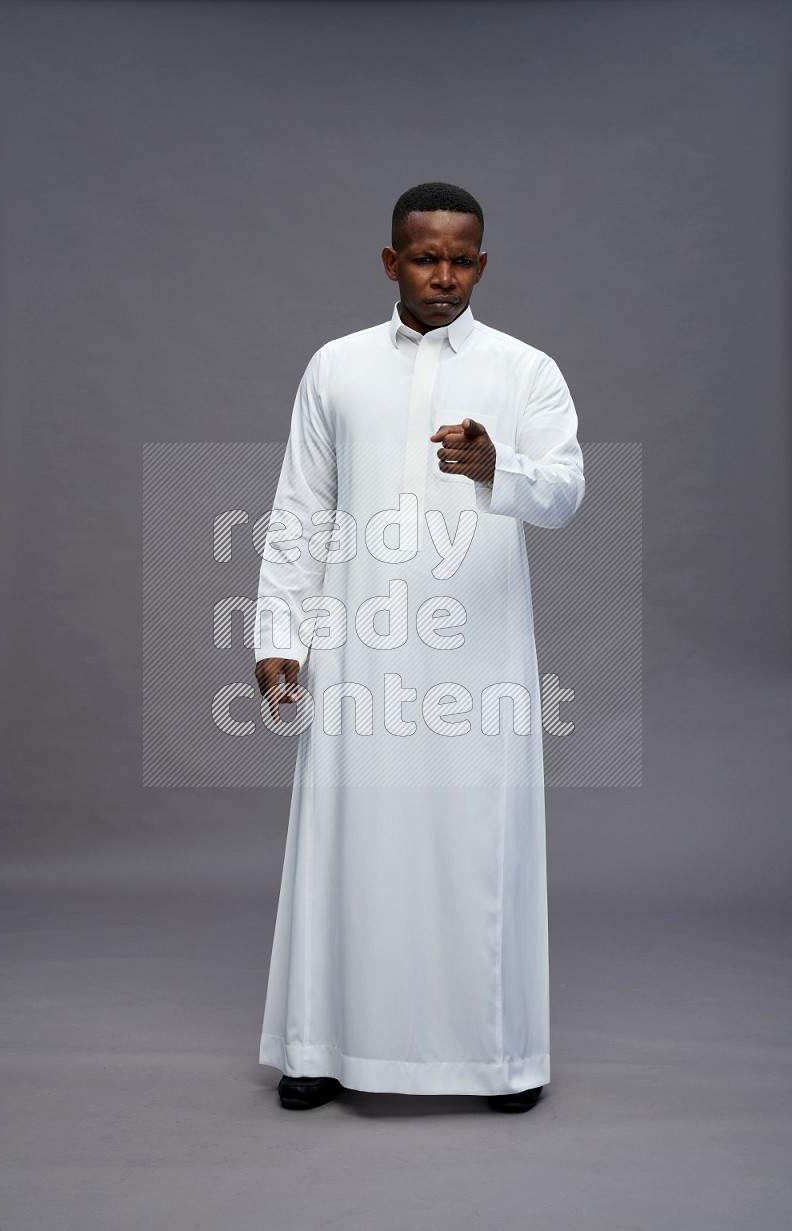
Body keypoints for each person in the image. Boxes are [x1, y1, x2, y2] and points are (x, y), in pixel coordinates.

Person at [253, 182, 585, 1113]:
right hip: (358, 645)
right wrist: (280, 631)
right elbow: (299, 509)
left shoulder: (526, 371)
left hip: (476, 656)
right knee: (344, 838)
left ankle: (498, 1058)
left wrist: (496, 468)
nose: (445, 274)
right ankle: (319, 1044)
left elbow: (564, 493)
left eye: (463, 256)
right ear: (391, 261)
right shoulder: (336, 366)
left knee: (477, 843)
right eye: (426, 255)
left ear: (483, 261)